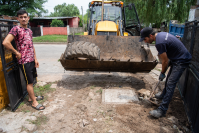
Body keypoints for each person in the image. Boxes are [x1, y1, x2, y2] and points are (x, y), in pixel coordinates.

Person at [139, 27, 191, 118]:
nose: (145, 41)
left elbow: (165, 61)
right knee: (169, 79)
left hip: (182, 60)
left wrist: (162, 72)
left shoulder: (159, 42)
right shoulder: (161, 35)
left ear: (150, 36)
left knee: (171, 83)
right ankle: (163, 95)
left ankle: (162, 110)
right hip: (177, 58)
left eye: (145, 39)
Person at [2, 10, 45, 110]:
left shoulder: (29, 30)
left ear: (28, 18)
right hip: (24, 61)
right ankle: (34, 102)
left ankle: (31, 97)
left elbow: (31, 45)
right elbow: (5, 42)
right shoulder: (16, 29)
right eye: (21, 17)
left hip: (31, 60)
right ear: (18, 19)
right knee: (29, 82)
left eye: (25, 17)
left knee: (31, 80)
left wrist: (35, 59)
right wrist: (16, 52)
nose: (23, 19)